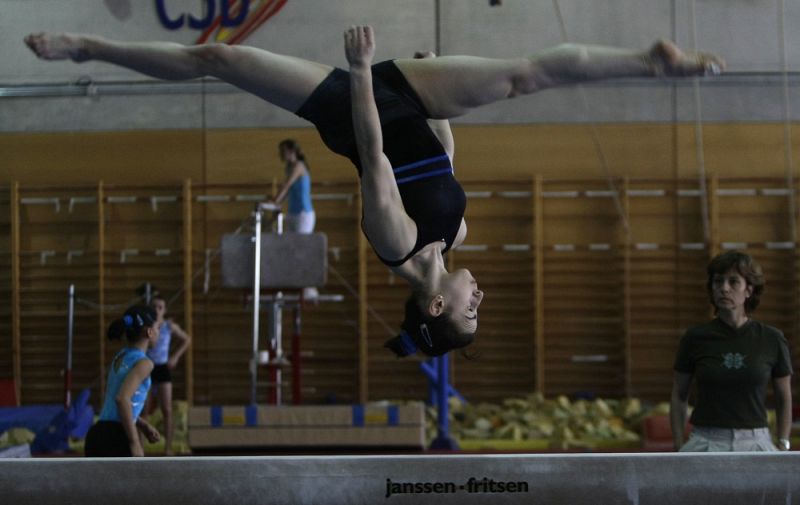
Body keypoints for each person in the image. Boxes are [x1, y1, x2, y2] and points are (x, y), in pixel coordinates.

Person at [24, 27, 723, 357]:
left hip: (357, 108)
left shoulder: (395, 244)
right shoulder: (456, 237)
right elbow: (441, 156)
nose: (483, 300)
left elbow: (376, 151)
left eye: (471, 312)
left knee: (221, 59)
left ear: (438, 303)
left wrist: (360, 71)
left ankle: (90, 49)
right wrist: (437, 91)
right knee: (519, 76)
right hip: (417, 100)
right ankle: (647, 62)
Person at [670, 251, 793, 452]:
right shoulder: (695, 337)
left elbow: (784, 396)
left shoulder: (772, 338)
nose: (724, 289)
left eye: (733, 282)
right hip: (706, 439)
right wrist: (678, 445)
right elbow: (679, 394)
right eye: (718, 282)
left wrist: (783, 442)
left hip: (756, 441)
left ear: (749, 290)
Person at [84, 305, 161, 457]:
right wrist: (134, 442)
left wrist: (143, 424)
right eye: (158, 327)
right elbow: (122, 399)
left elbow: (116, 403)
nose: (160, 332)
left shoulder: (120, 356)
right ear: (150, 332)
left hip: (98, 434)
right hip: (117, 436)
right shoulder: (145, 363)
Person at [146, 294, 191, 456]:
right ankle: (139, 447)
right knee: (143, 410)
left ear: (164, 310)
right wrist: (154, 324)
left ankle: (168, 448)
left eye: (160, 307)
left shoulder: (169, 326)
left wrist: (176, 356)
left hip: (163, 367)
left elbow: (187, 339)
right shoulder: (148, 327)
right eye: (154, 307)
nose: (157, 310)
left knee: (167, 409)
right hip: (148, 368)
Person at [271, 139, 316, 234]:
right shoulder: (288, 168)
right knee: (290, 246)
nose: (281, 154)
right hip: (292, 213)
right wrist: (277, 205)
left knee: (300, 247)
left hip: (303, 214)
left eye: (283, 151)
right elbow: (288, 191)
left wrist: (275, 201)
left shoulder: (299, 166)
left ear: (292, 151)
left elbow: (287, 185)